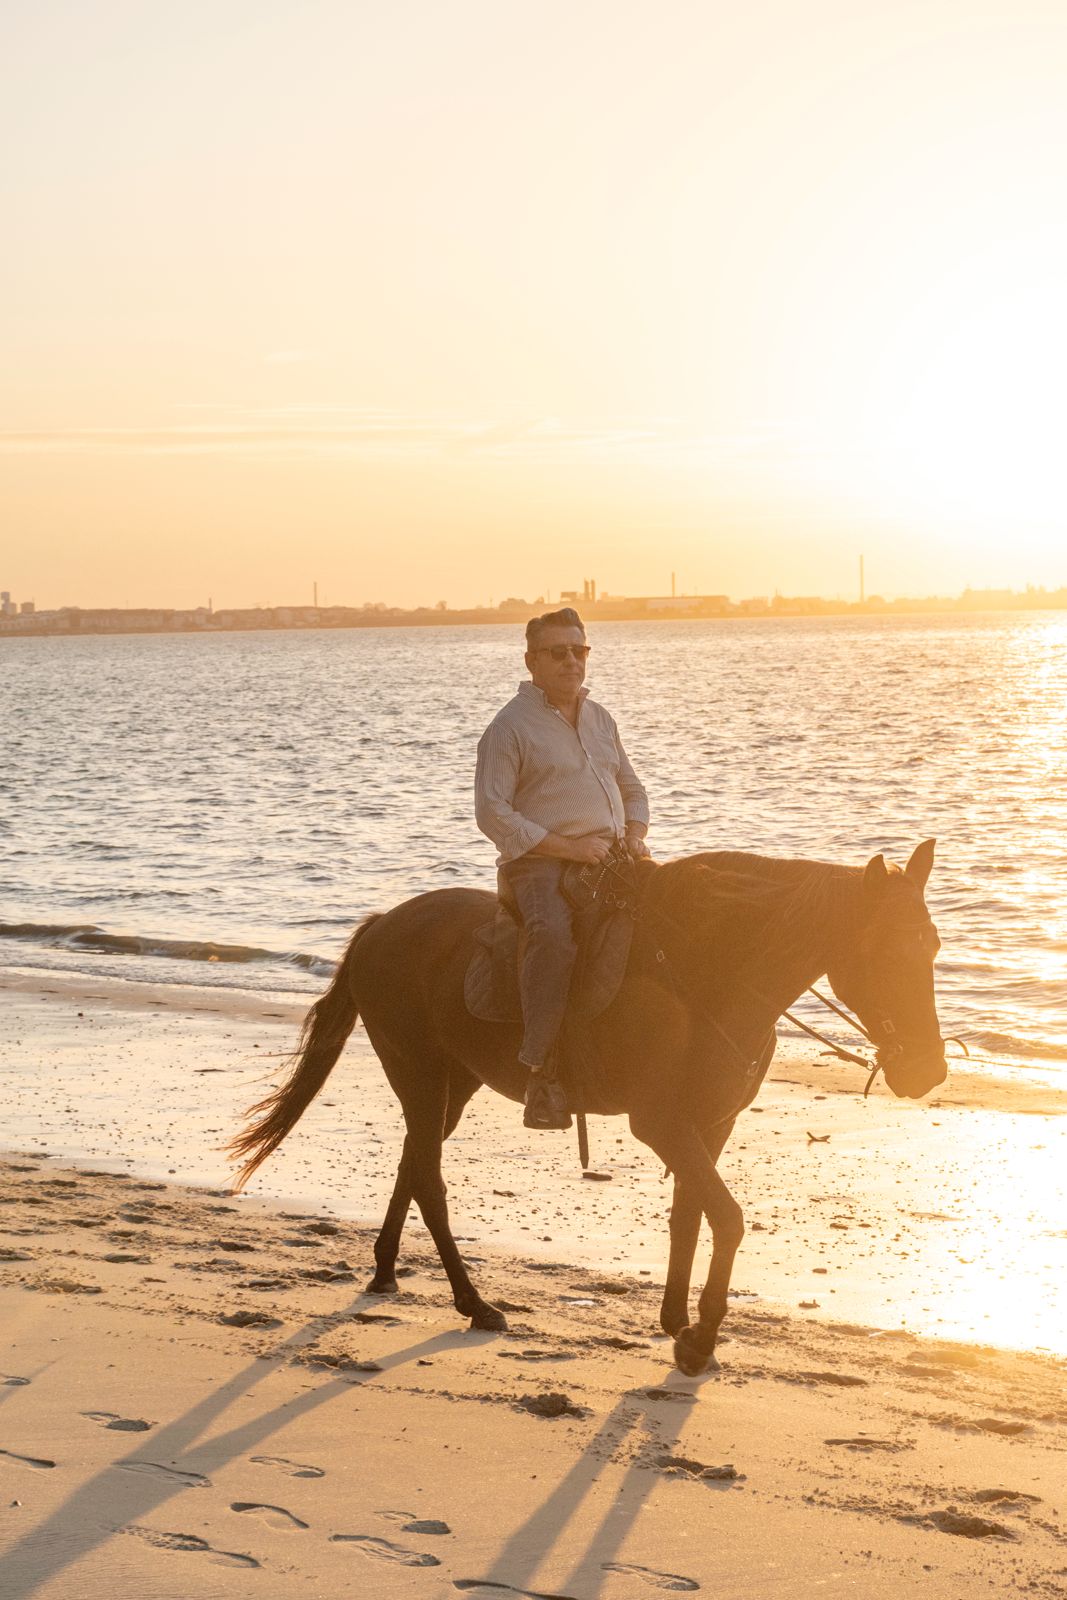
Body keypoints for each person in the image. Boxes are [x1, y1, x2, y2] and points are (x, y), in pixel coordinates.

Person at [474, 607, 650, 1129]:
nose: (572, 661)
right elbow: (492, 812)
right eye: (558, 652)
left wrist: (635, 835)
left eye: (579, 650)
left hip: (615, 856)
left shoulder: (601, 720)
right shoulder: (509, 728)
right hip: (539, 865)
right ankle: (541, 1070)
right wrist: (566, 848)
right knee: (553, 938)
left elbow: (632, 788)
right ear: (532, 661)